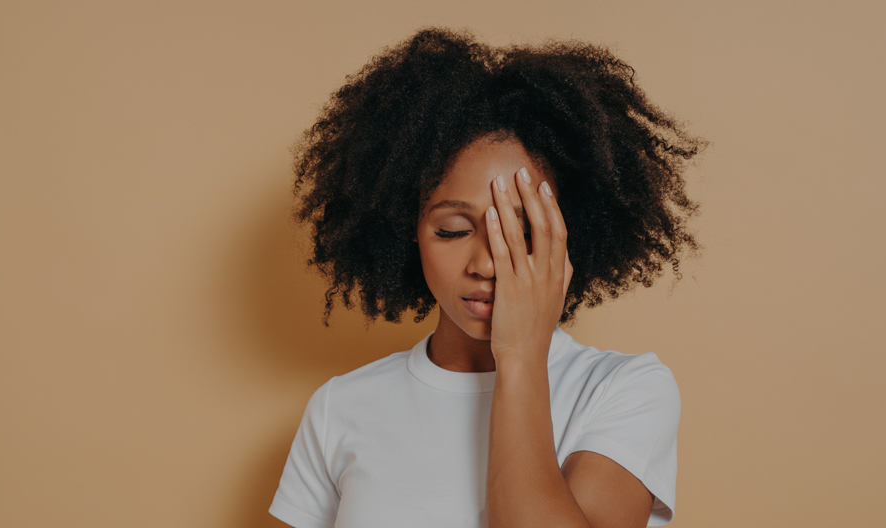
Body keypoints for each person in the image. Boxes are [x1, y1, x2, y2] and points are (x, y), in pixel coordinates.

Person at [269, 27, 704, 528]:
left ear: (568, 231)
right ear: (405, 230)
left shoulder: (622, 389)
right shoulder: (339, 408)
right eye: (453, 230)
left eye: (520, 232)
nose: (487, 264)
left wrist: (518, 355)